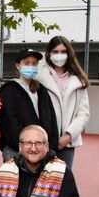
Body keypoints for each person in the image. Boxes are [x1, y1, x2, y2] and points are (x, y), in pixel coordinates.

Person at [0, 48, 59, 161]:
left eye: (34, 64)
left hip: (42, 151)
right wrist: (27, 147)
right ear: (18, 66)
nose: (31, 66)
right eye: (27, 63)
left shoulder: (41, 89)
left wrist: (50, 147)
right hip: (16, 151)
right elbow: (9, 124)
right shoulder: (8, 90)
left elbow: (51, 120)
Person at [36, 36, 90, 168]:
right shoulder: (38, 77)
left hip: (67, 143)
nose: (59, 55)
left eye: (63, 51)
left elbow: (83, 113)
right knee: (41, 181)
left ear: (69, 53)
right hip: (43, 141)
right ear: (48, 53)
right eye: (55, 51)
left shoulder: (78, 80)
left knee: (64, 181)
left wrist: (69, 135)